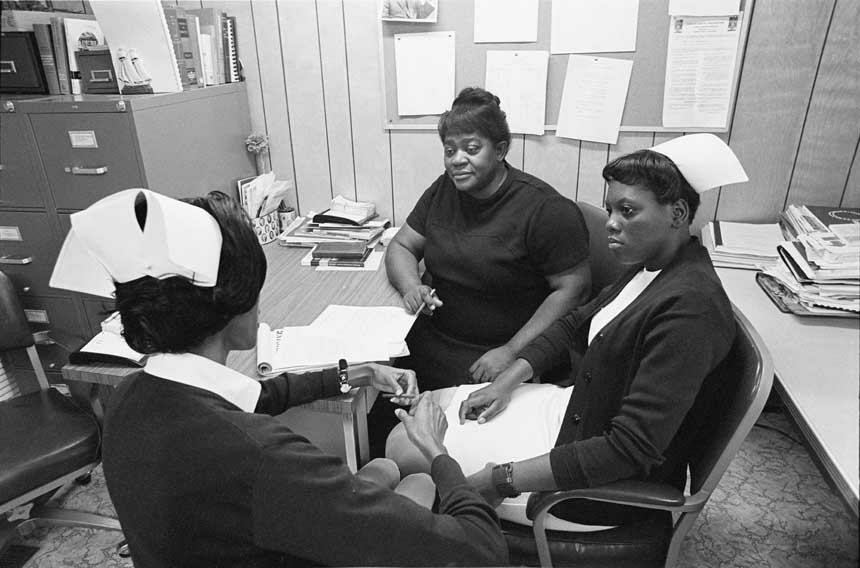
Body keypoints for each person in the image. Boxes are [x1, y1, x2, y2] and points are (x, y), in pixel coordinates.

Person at [49, 189, 508, 567]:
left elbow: (254, 398)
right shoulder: (265, 458)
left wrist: (356, 373)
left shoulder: (129, 395)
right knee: (421, 483)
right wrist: (437, 450)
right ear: (235, 304)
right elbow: (479, 550)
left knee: (385, 468)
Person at [387, 133, 749, 530]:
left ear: (677, 214)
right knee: (420, 416)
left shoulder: (689, 310)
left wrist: (500, 479)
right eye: (611, 209)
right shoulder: (653, 265)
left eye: (628, 211)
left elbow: (627, 450)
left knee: (405, 450)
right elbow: (573, 324)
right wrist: (508, 379)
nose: (611, 223)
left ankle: (430, 533)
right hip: (576, 413)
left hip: (595, 488)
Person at [385, 87, 591, 391]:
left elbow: (574, 289)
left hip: (496, 356)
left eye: (471, 148)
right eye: (450, 150)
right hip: (432, 340)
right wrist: (411, 287)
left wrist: (512, 351)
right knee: (370, 390)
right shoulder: (444, 189)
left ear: (500, 150)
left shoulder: (546, 209)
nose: (457, 160)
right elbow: (401, 245)